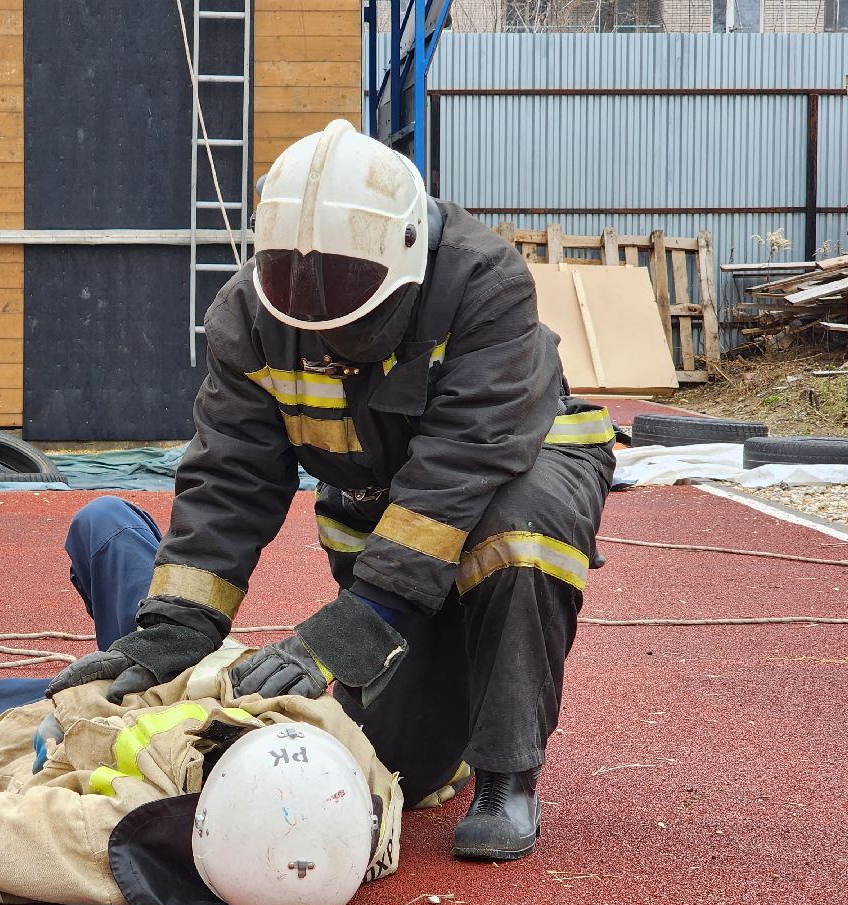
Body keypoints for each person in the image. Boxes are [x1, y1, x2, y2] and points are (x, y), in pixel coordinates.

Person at [46, 119, 616, 861]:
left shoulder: (485, 285)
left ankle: (510, 777)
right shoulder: (251, 316)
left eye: (353, 312)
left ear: (408, 263)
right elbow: (230, 474)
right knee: (394, 765)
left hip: (507, 475)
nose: (326, 338)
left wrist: (348, 632)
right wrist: (179, 626)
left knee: (519, 525)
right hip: (386, 533)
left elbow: (457, 475)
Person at [0, 497, 404, 905]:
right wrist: (129, 667)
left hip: (44, 748)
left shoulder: (124, 839)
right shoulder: (338, 769)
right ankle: (54, 683)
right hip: (158, 677)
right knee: (105, 524)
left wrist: (67, 710)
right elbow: (226, 673)